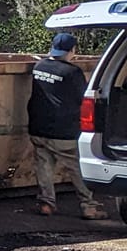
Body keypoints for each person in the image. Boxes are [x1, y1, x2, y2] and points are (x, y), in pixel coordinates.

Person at [30, 31, 101, 219]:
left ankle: (46, 203)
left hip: (38, 127)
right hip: (64, 130)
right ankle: (89, 206)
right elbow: (83, 98)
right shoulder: (72, 72)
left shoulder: (39, 67)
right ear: (72, 50)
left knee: (43, 165)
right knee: (76, 168)